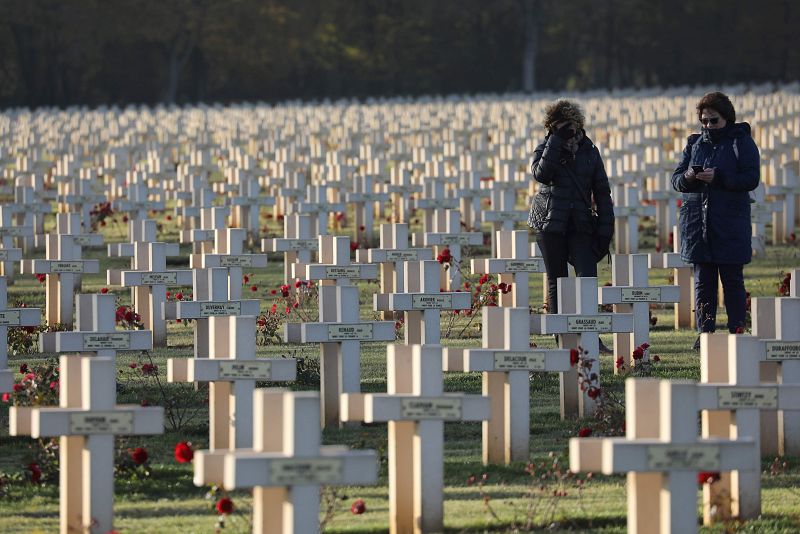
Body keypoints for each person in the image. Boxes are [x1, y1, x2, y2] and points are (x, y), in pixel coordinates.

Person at [671, 91, 760, 350]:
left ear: (727, 119)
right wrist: (689, 176)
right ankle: (706, 334)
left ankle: (736, 331)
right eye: (704, 121)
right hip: (698, 223)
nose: (708, 125)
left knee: (732, 280)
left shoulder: (741, 142)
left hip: (730, 221)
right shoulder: (694, 143)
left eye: (714, 120)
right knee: (703, 282)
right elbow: (676, 180)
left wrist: (718, 178)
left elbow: (751, 178)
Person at [528, 99, 615, 350]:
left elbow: (602, 192)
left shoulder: (590, 151)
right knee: (557, 281)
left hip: (580, 224)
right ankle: (562, 339)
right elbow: (541, 174)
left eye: (570, 125)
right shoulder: (545, 147)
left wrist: (605, 231)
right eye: (559, 126)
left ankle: (591, 338)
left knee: (587, 278)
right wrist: (556, 141)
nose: (567, 130)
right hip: (550, 224)